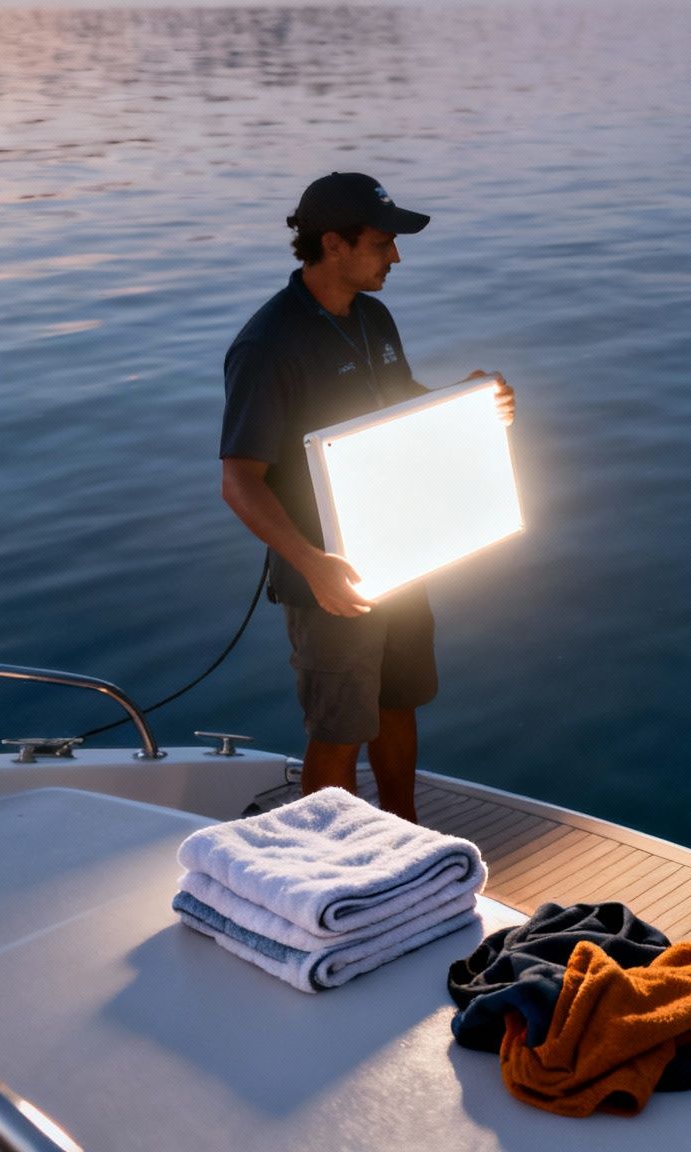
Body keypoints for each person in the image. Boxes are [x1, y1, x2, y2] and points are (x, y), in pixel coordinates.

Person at [218, 172, 514, 823]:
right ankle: (333, 867)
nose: (396, 257)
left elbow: (399, 400)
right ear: (333, 244)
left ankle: (406, 840)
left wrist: (465, 402)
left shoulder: (373, 317)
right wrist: (311, 563)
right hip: (327, 575)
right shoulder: (269, 345)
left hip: (397, 552)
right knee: (339, 728)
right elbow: (239, 480)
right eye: (382, 243)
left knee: (396, 702)